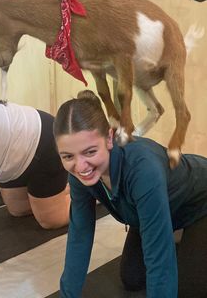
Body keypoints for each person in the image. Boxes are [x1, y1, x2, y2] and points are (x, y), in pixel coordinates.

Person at [53, 90, 207, 298]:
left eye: (90, 152)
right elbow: (80, 236)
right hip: (151, 209)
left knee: (187, 290)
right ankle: (170, 231)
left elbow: (159, 259)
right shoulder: (80, 174)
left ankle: (178, 234)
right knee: (132, 278)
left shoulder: (143, 170)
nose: (80, 166)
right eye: (68, 156)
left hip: (200, 203)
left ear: (109, 138)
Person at [0, 98, 70, 271]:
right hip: (14, 157)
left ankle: (89, 194)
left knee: (50, 220)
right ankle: (58, 191)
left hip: (43, 143)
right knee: (18, 210)